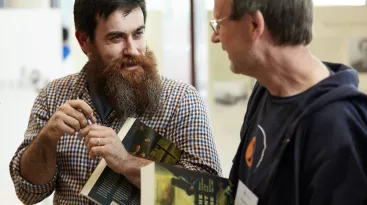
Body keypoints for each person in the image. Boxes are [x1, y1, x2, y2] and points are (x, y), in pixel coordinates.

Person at [10, 0, 221, 204]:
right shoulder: (53, 97)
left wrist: (126, 162)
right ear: (84, 41)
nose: (132, 50)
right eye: (116, 37)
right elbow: (28, 193)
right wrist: (46, 139)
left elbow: (210, 195)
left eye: (138, 33)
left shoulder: (181, 100)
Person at [210, 0, 367, 204]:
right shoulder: (265, 90)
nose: (215, 36)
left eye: (219, 22)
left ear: (255, 25)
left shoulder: (338, 129)